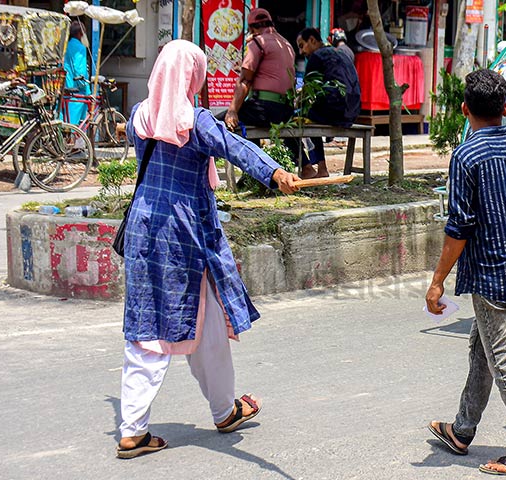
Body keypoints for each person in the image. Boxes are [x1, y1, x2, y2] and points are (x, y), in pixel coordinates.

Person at [116, 40, 300, 459]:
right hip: (184, 231)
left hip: (146, 226)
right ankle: (216, 410)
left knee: (160, 322)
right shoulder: (194, 121)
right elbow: (234, 147)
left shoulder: (139, 117)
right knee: (198, 323)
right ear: (191, 76)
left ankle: (141, 425)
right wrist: (274, 171)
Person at [425, 69, 506, 477]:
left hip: (490, 275)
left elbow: (459, 227)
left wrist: (437, 281)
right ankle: (462, 430)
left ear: (465, 110)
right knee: (482, 349)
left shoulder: (466, 155)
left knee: (505, 362)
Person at [296, 27, 361, 178]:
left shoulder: (317, 57)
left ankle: (319, 167)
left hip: (336, 111)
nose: (301, 52)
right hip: (353, 112)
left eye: (301, 45)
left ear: (312, 40)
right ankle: (319, 167)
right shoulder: (341, 53)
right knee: (311, 113)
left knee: (303, 117)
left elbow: (307, 92)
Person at [222, 8, 295, 133]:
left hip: (264, 109)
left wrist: (232, 111)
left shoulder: (258, 42)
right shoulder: (286, 44)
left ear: (251, 29)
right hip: (286, 110)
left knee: (221, 122)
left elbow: (245, 81)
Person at [63, 21, 91, 125]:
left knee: (65, 120)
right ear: (80, 33)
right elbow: (80, 70)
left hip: (65, 85)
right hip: (76, 89)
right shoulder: (80, 47)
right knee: (75, 124)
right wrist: (86, 87)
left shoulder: (67, 45)